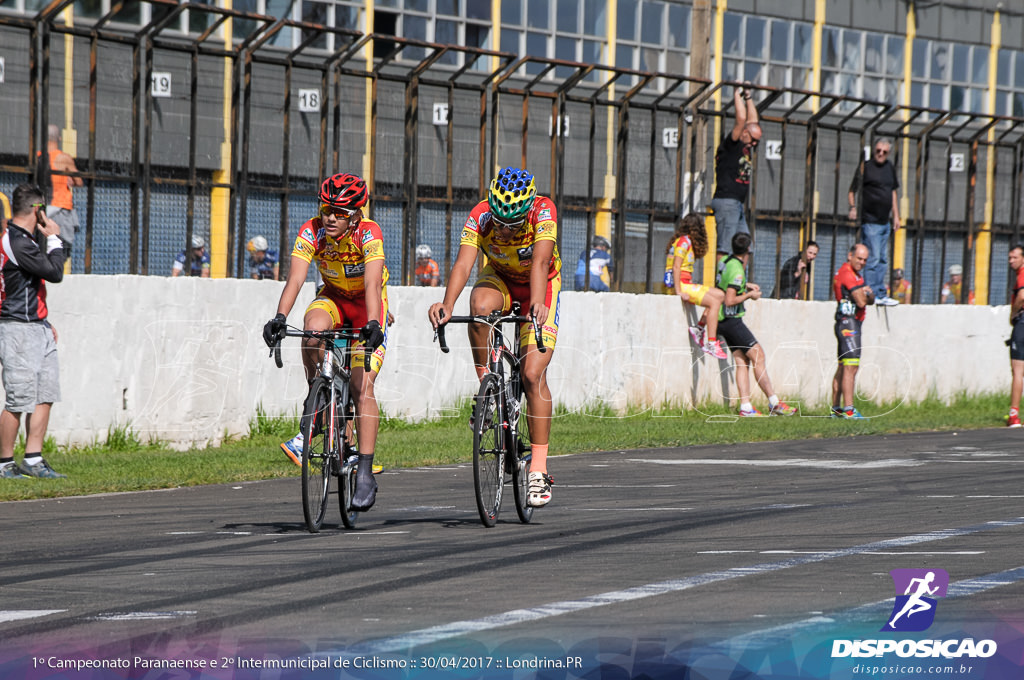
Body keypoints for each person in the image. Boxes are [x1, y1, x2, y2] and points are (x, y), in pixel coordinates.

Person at [428, 167, 559, 507]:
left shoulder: (543, 210)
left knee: (532, 374)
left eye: (511, 223)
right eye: (499, 220)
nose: (502, 229)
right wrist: (446, 304)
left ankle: (539, 470)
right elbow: (463, 264)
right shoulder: (480, 214)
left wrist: (539, 305)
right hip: (500, 276)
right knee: (479, 306)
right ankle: (487, 386)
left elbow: (542, 262)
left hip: (539, 283)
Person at [263, 173, 388, 511]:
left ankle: (364, 471)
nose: (330, 217)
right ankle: (317, 394)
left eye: (340, 211)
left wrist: (375, 322)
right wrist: (279, 317)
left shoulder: (369, 233)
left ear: (355, 215)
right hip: (332, 297)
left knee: (362, 386)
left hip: (366, 307)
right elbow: (296, 277)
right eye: (327, 209)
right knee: (312, 329)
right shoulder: (312, 230)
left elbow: (374, 285)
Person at [0, 184, 70, 479]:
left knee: (45, 393)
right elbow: (54, 273)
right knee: (18, 399)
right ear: (37, 210)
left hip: (36, 326)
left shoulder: (23, 240)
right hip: (17, 329)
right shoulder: (16, 241)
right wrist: (53, 236)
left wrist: (42, 319)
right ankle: (4, 464)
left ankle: (33, 459)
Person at [714, 232, 797, 417]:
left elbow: (725, 285)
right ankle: (774, 403)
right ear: (748, 251)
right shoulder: (737, 270)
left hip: (722, 320)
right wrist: (749, 295)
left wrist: (746, 285)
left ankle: (746, 408)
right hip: (731, 320)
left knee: (742, 361)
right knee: (758, 356)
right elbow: (729, 300)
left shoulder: (726, 261)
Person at [664, 213, 727, 360]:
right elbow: (676, 267)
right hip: (682, 284)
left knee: (720, 295)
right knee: (714, 302)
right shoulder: (684, 242)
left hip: (687, 283)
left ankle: (699, 328)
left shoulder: (687, 241)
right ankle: (711, 342)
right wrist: (678, 291)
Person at [711, 82, 761, 260]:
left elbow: (753, 121)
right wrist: (736, 92)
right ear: (744, 133)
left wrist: (748, 96)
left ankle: (739, 282)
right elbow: (741, 119)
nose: (754, 145)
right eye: (753, 140)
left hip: (737, 203)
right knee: (726, 245)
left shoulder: (748, 142)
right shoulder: (732, 144)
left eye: (756, 142)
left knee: (746, 247)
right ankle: (722, 280)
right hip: (726, 200)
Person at [848, 138, 900, 306]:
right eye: (878, 150)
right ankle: (871, 292)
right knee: (873, 258)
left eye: (884, 152)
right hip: (870, 221)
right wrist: (853, 207)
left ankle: (881, 293)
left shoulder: (889, 168)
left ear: (888, 153)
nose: (880, 154)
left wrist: (896, 216)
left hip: (885, 221)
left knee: (883, 259)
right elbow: (852, 189)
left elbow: (892, 192)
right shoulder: (866, 167)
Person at [831, 243, 873, 419]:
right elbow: (862, 301)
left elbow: (868, 298)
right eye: (859, 258)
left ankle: (836, 409)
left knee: (843, 367)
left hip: (849, 323)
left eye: (865, 260)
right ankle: (848, 409)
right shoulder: (848, 274)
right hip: (849, 324)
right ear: (850, 256)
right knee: (851, 367)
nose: (862, 262)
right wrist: (867, 294)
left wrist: (868, 294)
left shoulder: (856, 275)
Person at [46, 125, 83, 266]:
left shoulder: (38, 156)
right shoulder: (63, 158)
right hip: (60, 210)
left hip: (42, 209)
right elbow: (79, 181)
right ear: (59, 138)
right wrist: (70, 178)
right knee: (61, 252)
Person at [1006, 246, 1024, 428]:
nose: (1011, 261)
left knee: (1017, 371)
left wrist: (1012, 314)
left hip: (1022, 323)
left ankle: (1014, 415)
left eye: (1015, 257)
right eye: (1010, 257)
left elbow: (1022, 296)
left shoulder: (1022, 273)